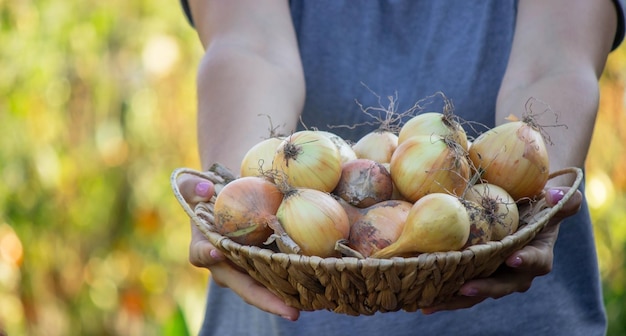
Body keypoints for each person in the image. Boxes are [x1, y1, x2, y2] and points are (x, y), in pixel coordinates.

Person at [176, 1, 625, 335]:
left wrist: (535, 206)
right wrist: (237, 196)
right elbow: (250, 48)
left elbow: (555, 59)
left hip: (516, 315)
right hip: (280, 301)